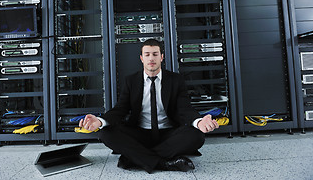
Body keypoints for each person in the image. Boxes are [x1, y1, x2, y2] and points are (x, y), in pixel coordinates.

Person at [79, 39, 219, 173]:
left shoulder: (175, 80)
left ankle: (136, 158)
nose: (151, 58)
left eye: (155, 54)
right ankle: (164, 163)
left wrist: (199, 121)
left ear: (161, 57)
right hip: (139, 133)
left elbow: (184, 109)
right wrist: (100, 121)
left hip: (168, 134)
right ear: (141, 58)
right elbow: (120, 109)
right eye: (147, 55)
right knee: (106, 133)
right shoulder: (131, 81)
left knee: (197, 136)